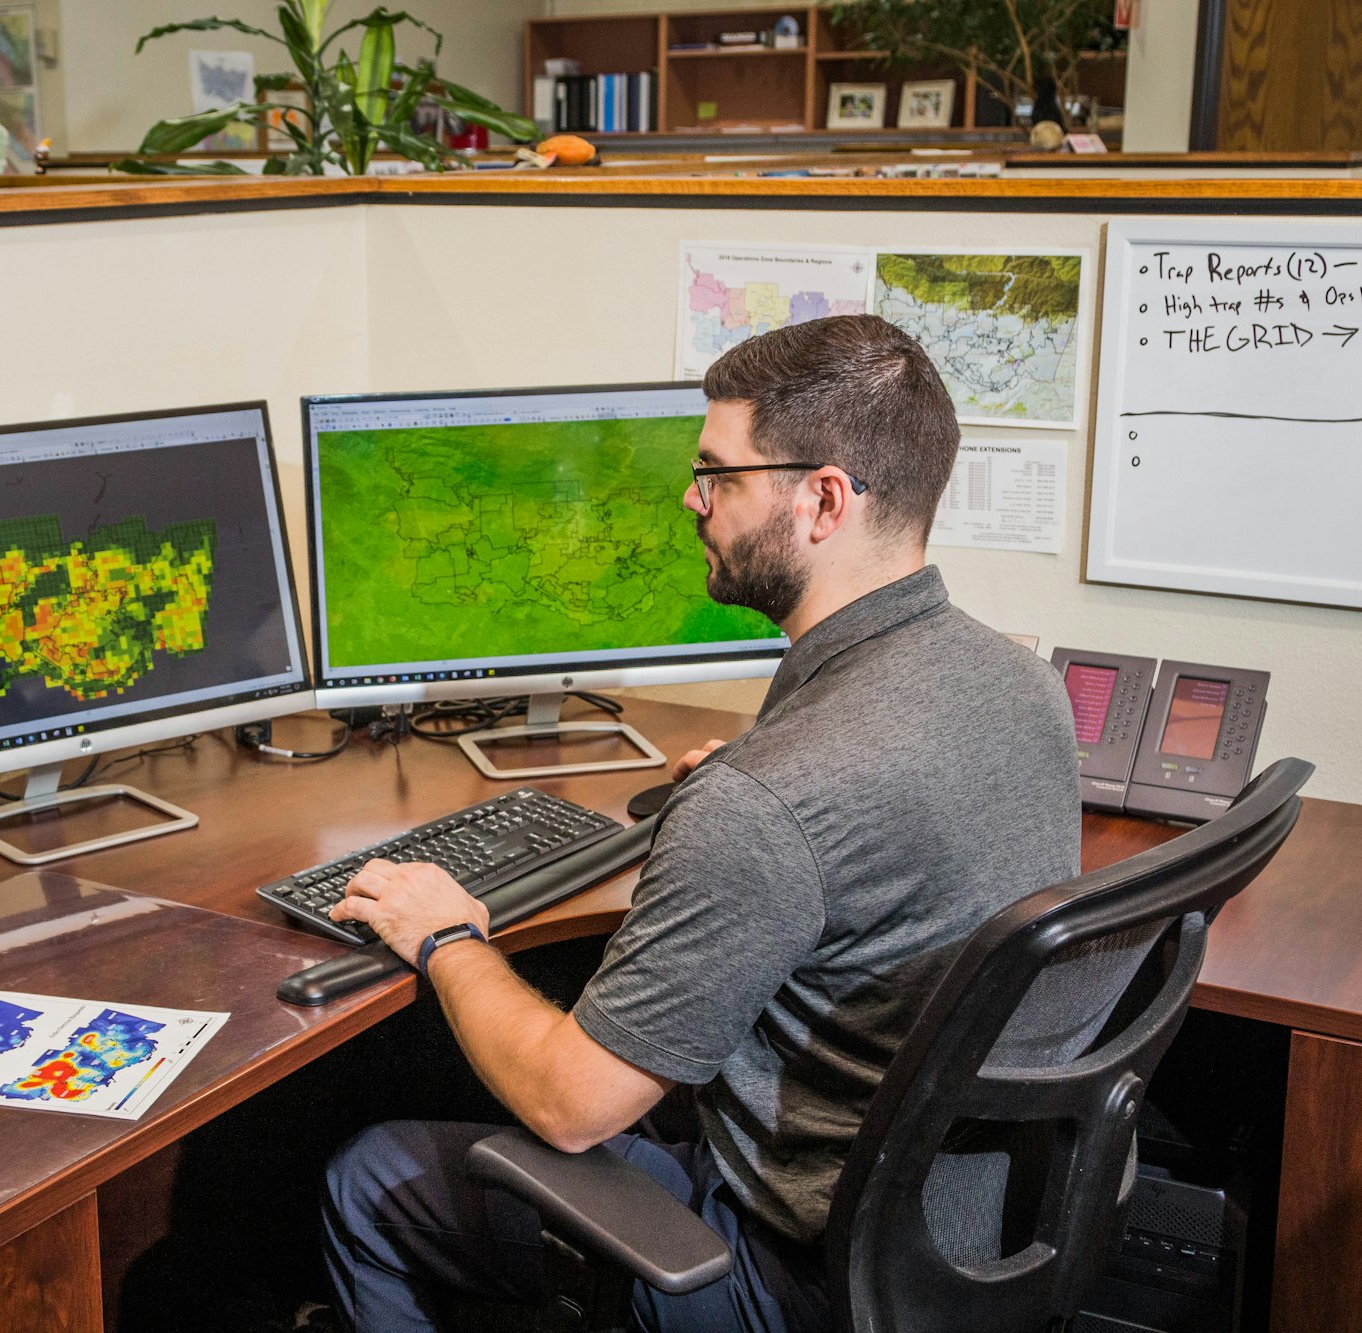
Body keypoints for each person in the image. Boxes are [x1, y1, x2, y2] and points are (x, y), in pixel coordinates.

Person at [319, 315, 1082, 1332]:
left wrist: (445, 932)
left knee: (368, 1175)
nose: (691, 497)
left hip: (787, 1273)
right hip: (968, 1241)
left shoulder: (767, 803)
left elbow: (569, 1105)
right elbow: (868, 828)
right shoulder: (1019, 682)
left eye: (717, 474)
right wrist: (759, 793)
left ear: (822, 500)